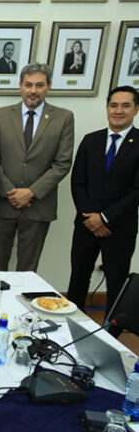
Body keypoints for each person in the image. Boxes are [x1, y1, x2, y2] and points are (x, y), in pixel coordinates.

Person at [0, 63, 74, 272]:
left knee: (28, 269)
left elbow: (62, 163)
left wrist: (31, 192)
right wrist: (10, 192)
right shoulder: (1, 115)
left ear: (48, 86)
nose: (33, 90)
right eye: (28, 85)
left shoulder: (63, 118)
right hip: (4, 203)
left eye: (39, 85)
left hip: (38, 206)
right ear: (20, 85)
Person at [67, 85, 139, 335]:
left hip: (119, 228)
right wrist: (91, 217)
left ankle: (110, 336)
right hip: (86, 225)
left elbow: (136, 191)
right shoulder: (91, 140)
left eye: (125, 105)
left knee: (117, 283)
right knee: (78, 278)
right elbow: (78, 182)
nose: (118, 111)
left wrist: (105, 218)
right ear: (107, 107)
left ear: (136, 109)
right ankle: (72, 328)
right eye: (114, 105)